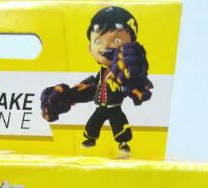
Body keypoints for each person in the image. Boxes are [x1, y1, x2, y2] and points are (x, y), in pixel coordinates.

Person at [40, 6, 153, 154]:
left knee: (119, 124)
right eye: (98, 41)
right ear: (90, 48)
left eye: (117, 40)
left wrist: (134, 83)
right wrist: (66, 97)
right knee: (93, 123)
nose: (106, 46)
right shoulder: (100, 75)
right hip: (101, 106)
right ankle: (90, 139)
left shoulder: (125, 72)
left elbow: (139, 90)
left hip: (114, 107)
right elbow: (89, 89)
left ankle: (123, 143)